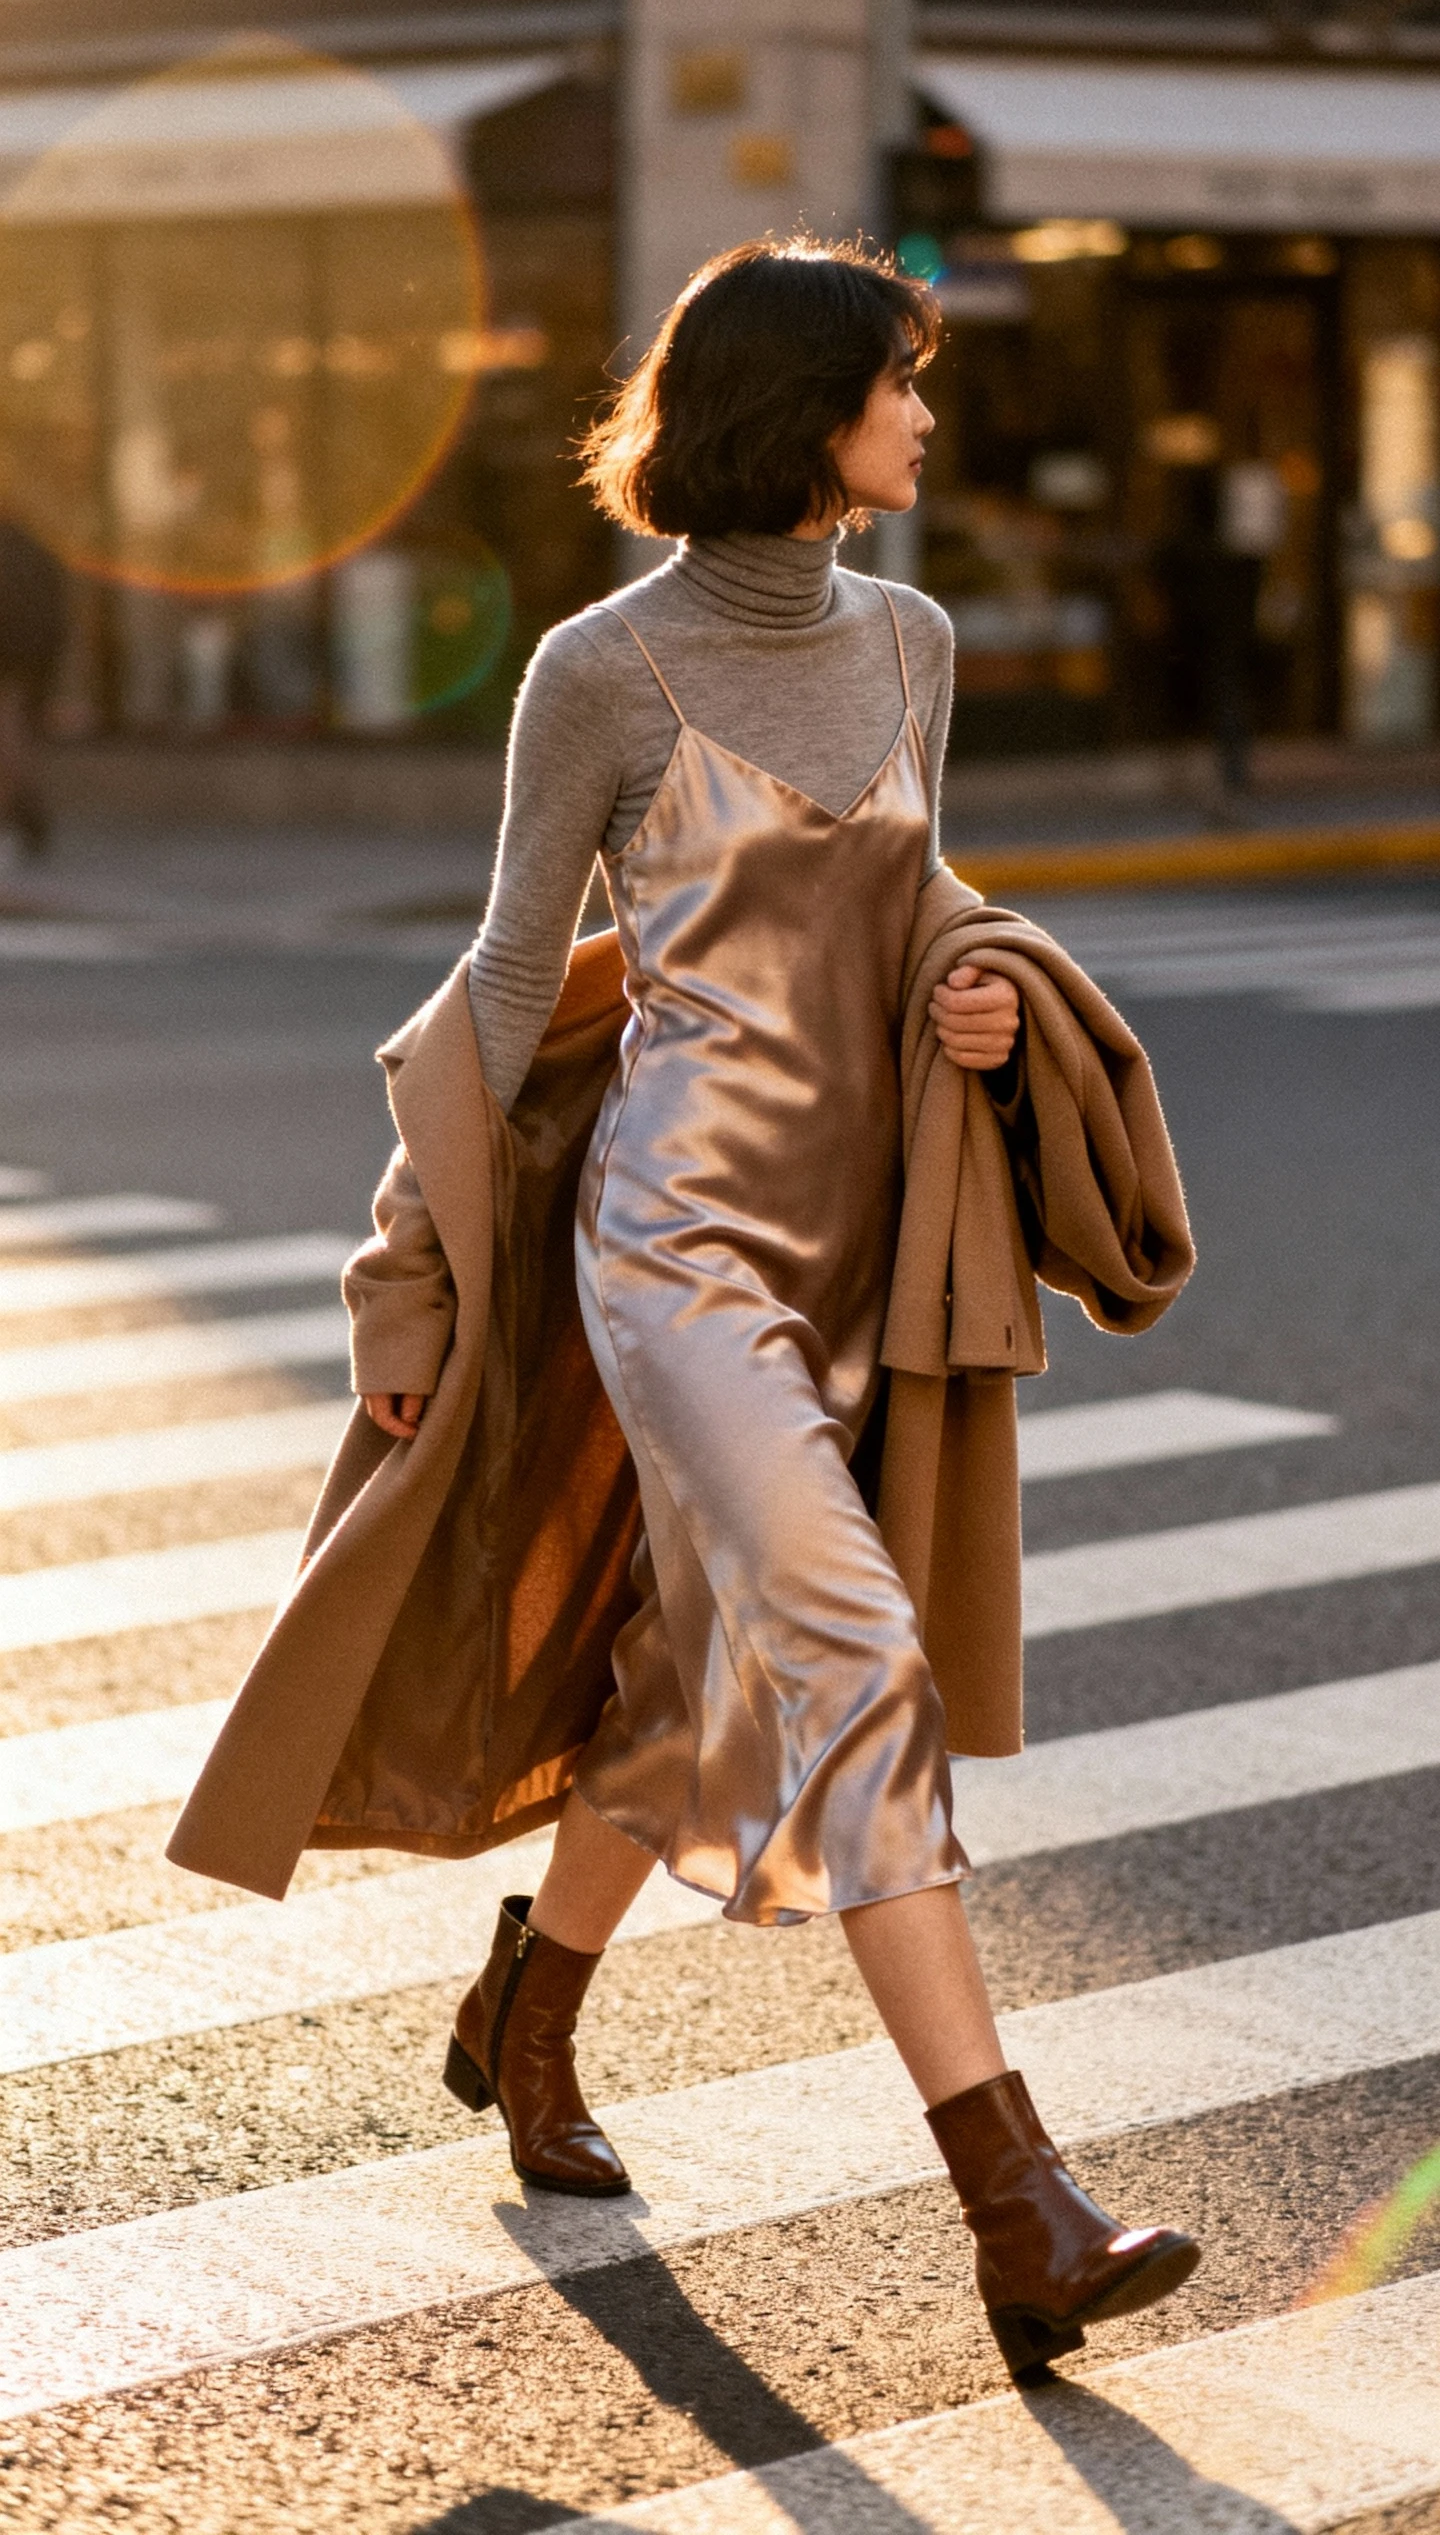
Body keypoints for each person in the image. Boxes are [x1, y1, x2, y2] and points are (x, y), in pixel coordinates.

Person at [169, 240, 1199, 2388]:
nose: (928, 419)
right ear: (803, 412)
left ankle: (522, 2011)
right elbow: (503, 980)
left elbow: (922, 900)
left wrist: (977, 983)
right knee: (850, 1651)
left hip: (860, 1249)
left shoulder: (912, 642)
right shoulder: (600, 670)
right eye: (901, 386)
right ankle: (1020, 2197)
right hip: (681, 1249)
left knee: (694, 1674)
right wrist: (404, 1262)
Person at [0, 514, 68, 862]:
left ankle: (23, 817)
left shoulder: (14, 549)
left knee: (10, 736)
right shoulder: (30, 544)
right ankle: (27, 817)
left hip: (14, 656)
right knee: (18, 735)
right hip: (32, 655)